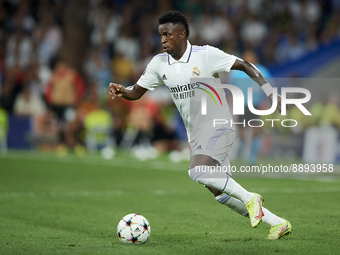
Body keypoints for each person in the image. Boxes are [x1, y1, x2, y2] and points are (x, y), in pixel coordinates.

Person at [108, 10, 291, 240]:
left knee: (198, 171)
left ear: (182, 34)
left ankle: (250, 198)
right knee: (220, 192)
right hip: (195, 134)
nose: (163, 39)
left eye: (168, 34)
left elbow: (245, 65)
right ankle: (278, 223)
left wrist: (271, 93)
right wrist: (122, 91)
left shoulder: (205, 55)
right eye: (160, 35)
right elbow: (136, 92)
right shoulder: (158, 64)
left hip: (219, 125)